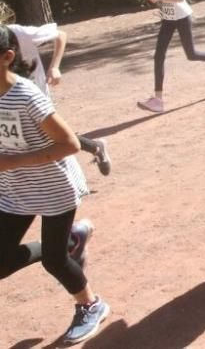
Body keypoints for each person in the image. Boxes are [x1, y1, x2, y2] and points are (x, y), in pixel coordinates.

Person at [0, 25, 110, 344]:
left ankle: (91, 305)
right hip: (13, 190)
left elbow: (71, 144)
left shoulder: (26, 96)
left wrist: (14, 161)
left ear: (7, 57)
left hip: (53, 188)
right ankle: (71, 239)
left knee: (54, 260)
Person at [2, 16, 112, 175]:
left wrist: (55, 67)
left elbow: (60, 35)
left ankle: (85, 158)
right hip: (6, 96)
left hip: (33, 94)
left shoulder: (19, 32)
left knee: (47, 137)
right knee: (33, 137)